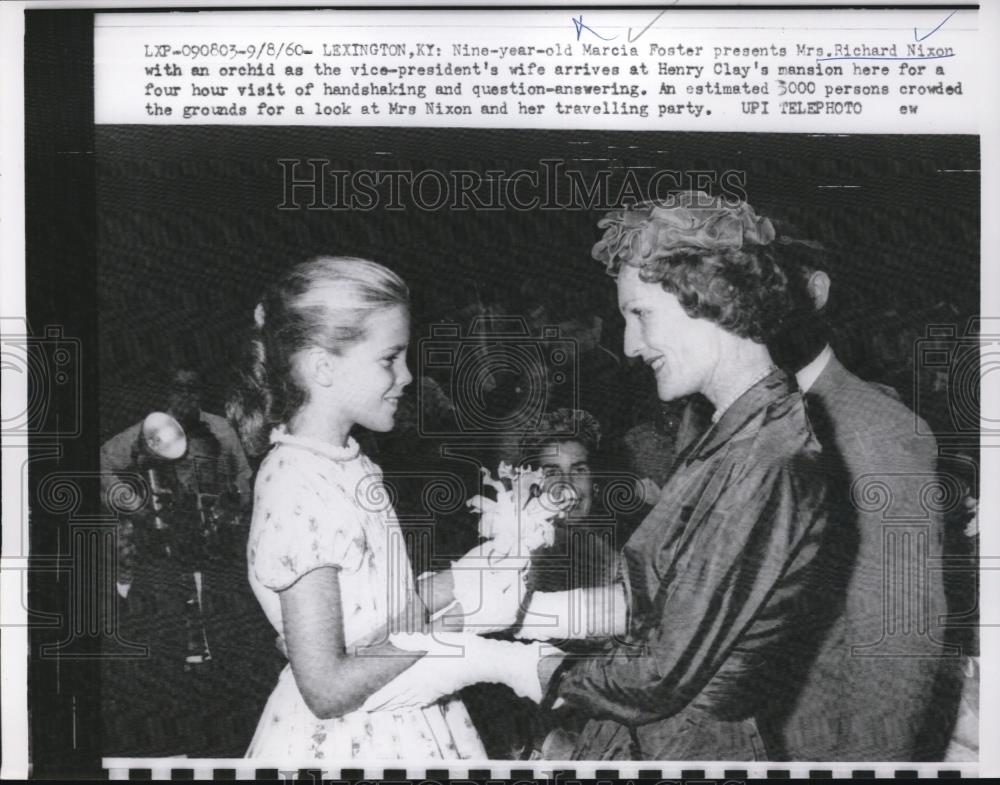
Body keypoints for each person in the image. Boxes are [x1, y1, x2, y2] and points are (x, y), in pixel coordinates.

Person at [365, 193, 838, 761]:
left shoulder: (770, 457)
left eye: (640, 315)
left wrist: (501, 662)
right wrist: (503, 608)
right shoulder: (733, 436)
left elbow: (660, 671)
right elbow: (655, 602)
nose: (629, 346)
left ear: (709, 300)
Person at [227, 256, 543, 761]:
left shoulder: (355, 463)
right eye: (389, 358)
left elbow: (378, 615)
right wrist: (448, 630)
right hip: (354, 739)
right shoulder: (295, 483)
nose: (408, 376)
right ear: (323, 367)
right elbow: (327, 688)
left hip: (400, 705)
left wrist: (465, 578)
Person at [759, 233, 957, 761]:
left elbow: (898, 646)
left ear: (815, 291)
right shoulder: (717, 417)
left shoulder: (876, 430)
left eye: (757, 285)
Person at [99, 365, 263, 756]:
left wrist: (235, 503)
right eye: (178, 389)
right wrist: (136, 506)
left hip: (216, 542)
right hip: (165, 542)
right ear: (165, 392)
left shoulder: (221, 429)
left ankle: (229, 719)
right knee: (167, 629)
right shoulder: (147, 430)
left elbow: (244, 472)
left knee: (226, 626)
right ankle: (173, 724)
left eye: (193, 389)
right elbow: (102, 461)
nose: (185, 396)